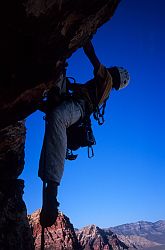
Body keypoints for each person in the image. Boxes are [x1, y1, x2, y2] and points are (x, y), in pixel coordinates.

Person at [38, 40, 130, 227]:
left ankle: (52, 190)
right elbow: (79, 88)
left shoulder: (107, 79)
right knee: (59, 71)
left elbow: (93, 58)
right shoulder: (99, 86)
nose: (109, 67)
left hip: (78, 108)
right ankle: (52, 94)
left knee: (57, 117)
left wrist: (85, 39)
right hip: (74, 102)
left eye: (112, 68)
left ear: (116, 75)